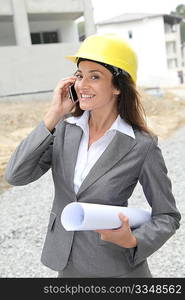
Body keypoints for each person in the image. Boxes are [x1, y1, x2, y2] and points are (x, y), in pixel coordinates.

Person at [5, 33, 181, 278]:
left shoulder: (141, 145)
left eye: (94, 76)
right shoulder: (64, 129)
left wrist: (133, 239)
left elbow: (167, 216)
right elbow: (16, 175)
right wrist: (53, 114)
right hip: (66, 266)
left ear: (118, 86)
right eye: (79, 75)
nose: (82, 84)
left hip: (116, 269)